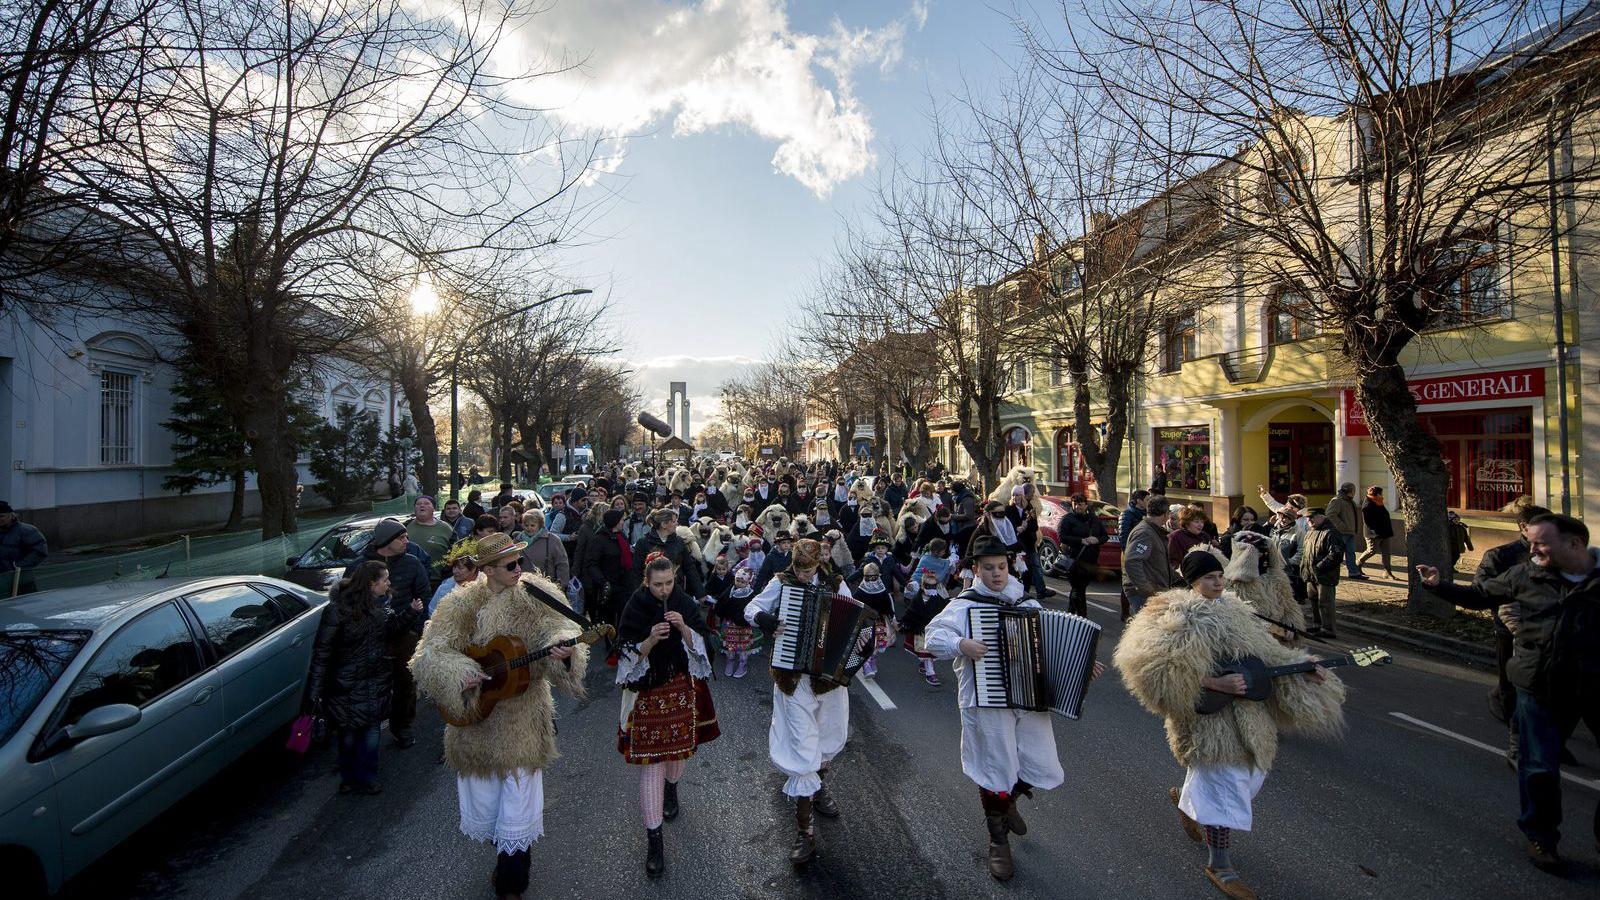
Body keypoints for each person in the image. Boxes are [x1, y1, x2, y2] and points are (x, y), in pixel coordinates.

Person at [1116, 549, 1345, 900]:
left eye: (1220, 576)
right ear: (1193, 582)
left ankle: (1187, 804)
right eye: (1210, 577)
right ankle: (1220, 865)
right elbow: (1155, 669)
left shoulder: (1236, 611)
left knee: (1249, 778)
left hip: (1249, 717)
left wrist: (1303, 665)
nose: (1219, 582)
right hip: (1208, 722)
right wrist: (1213, 683)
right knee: (1226, 789)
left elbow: (1268, 654)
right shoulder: (1174, 616)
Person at [1417, 513, 1600, 872]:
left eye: (1540, 544)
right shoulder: (1525, 575)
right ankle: (1541, 837)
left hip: (1595, 686)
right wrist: (1438, 586)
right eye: (1530, 542)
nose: (1531, 550)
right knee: (1538, 768)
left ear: (1575, 543)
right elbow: (1480, 595)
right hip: (1540, 685)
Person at [409, 534, 587, 900]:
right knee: (490, 814)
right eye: (509, 565)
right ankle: (506, 865)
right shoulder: (460, 603)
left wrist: (565, 650)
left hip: (522, 722)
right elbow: (429, 654)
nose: (519, 569)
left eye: (519, 561)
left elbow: (560, 626)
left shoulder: (535, 592)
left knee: (518, 811)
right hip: (475, 724)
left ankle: (512, 885)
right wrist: (460, 672)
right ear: (486, 570)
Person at [925, 534, 1105, 881]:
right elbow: (932, 637)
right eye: (989, 568)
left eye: (1002, 567)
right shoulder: (965, 605)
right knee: (995, 765)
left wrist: (1082, 668)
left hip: (1028, 701)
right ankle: (998, 841)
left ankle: (1008, 803)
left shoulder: (1027, 604)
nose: (997, 574)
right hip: (986, 702)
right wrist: (961, 643)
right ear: (976, 569)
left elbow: (1051, 651)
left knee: (1039, 762)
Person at [744, 538, 857, 866]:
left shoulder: (836, 584)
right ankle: (804, 833)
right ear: (793, 564)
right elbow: (751, 608)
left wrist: (864, 637)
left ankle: (818, 788)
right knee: (802, 747)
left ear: (819, 564)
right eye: (800, 569)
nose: (805, 575)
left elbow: (854, 621)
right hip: (792, 677)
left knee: (827, 738)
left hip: (828, 679)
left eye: (810, 569)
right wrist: (767, 622)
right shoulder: (782, 583)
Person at [615, 553, 720, 877]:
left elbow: (705, 643)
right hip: (647, 692)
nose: (664, 590)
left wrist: (684, 628)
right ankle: (654, 843)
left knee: (678, 754)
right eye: (658, 585)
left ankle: (672, 788)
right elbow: (623, 651)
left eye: (669, 583)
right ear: (647, 582)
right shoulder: (635, 604)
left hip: (680, 688)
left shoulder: (683, 601)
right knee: (652, 766)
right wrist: (649, 641)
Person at [307, 560, 418, 795]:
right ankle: (349, 777)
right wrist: (314, 692)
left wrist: (410, 612)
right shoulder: (336, 611)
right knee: (347, 738)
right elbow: (322, 653)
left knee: (371, 736)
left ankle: (367, 777)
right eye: (385, 579)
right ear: (371, 583)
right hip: (344, 686)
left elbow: (392, 629)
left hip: (374, 682)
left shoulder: (380, 607)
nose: (388, 584)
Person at [343, 519, 431, 748]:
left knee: (405, 683)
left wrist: (415, 629)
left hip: (404, 636)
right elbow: (347, 601)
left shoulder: (412, 563)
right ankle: (362, 734)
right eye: (401, 538)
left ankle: (402, 726)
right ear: (385, 541)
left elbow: (424, 594)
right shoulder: (358, 566)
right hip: (369, 639)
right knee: (369, 687)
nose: (407, 541)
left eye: (406, 537)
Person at [1477, 503, 1552, 765]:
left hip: (1546, 636)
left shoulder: (1552, 554)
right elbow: (1483, 591)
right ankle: (1517, 740)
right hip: (1510, 632)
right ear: (1524, 527)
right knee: (1513, 685)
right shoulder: (1502, 556)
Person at [632, 509, 706, 601]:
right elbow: (637, 572)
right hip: (651, 595)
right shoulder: (643, 543)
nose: (677, 524)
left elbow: (690, 568)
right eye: (674, 521)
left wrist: (700, 593)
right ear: (664, 524)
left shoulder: (679, 542)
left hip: (677, 593)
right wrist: (640, 595)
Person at [1121, 496, 1173, 618]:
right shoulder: (1145, 533)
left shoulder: (1153, 531)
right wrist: (1147, 589)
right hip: (1143, 595)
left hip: (1153, 591)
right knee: (1149, 631)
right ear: (1166, 514)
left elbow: (1158, 562)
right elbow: (1132, 561)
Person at [1055, 492, 1106, 617]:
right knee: (1079, 588)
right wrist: (1080, 540)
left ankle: (1070, 613)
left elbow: (1104, 536)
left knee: (1079, 588)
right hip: (1074, 560)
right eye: (1075, 504)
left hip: (1090, 561)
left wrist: (1097, 540)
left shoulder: (1094, 519)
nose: (1078, 507)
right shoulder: (1067, 519)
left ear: (1086, 505)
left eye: (1081, 504)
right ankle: (1083, 616)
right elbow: (1062, 537)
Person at [899, 568, 950, 685]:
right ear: (922, 586)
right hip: (920, 630)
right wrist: (902, 623)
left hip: (933, 629)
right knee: (926, 652)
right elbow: (910, 612)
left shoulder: (938, 599)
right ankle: (930, 674)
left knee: (930, 651)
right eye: (928, 586)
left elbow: (944, 611)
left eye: (934, 586)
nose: (931, 589)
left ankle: (924, 665)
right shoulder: (917, 600)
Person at [1299, 507, 1344, 637]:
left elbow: (1336, 554)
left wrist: (1319, 567)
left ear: (1322, 516)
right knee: (1313, 601)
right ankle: (1317, 625)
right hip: (1311, 574)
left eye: (1312, 517)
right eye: (1307, 518)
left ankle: (1328, 629)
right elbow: (1305, 554)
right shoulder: (1310, 532)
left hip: (1325, 575)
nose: (1309, 520)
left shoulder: (1331, 532)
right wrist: (1304, 568)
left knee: (1325, 603)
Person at [714, 566, 760, 678]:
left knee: (743, 646)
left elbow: (751, 609)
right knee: (730, 644)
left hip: (742, 625)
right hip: (730, 624)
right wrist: (720, 612)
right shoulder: (731, 589)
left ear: (748, 582)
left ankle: (742, 663)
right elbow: (722, 600)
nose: (739, 583)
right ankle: (730, 661)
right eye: (737, 580)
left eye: (742, 581)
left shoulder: (750, 594)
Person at [0, 500, 48, 595]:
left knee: (22, 604)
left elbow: (39, 551)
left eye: (1, 516)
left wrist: (19, 566)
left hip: (21, 579)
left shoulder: (26, 531)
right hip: (2, 579)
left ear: (11, 515)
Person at [406, 496, 456, 578]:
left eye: (426, 503)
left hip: (438, 580)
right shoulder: (405, 526)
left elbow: (457, 552)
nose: (422, 506)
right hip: (410, 580)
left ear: (434, 509)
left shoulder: (446, 528)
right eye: (418, 504)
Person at [520, 509, 571, 587]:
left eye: (532, 525)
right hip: (522, 587)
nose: (529, 528)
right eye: (526, 525)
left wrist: (561, 585)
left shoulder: (552, 539)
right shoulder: (517, 540)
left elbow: (562, 563)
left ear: (540, 525)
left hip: (547, 587)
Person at [430, 540, 481, 615]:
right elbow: (432, 611)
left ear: (473, 569)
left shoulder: (485, 585)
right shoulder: (445, 588)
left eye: (460, 568)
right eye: (454, 567)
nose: (455, 571)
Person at [1324, 483, 1364, 580]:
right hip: (1341, 532)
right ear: (1350, 491)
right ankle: (1332, 572)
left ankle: (1353, 572)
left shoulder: (1350, 501)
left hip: (1350, 532)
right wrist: (1341, 526)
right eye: (1353, 490)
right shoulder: (1337, 501)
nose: (1355, 493)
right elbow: (1330, 515)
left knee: (1351, 553)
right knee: (1337, 553)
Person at [1357, 486, 1395, 578]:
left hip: (1385, 532)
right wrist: (1375, 532)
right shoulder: (1367, 505)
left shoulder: (1378, 501)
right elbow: (1368, 522)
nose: (1382, 495)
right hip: (1373, 534)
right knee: (1371, 551)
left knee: (1386, 553)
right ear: (1377, 494)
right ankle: (1357, 565)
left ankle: (1388, 572)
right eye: (1381, 493)